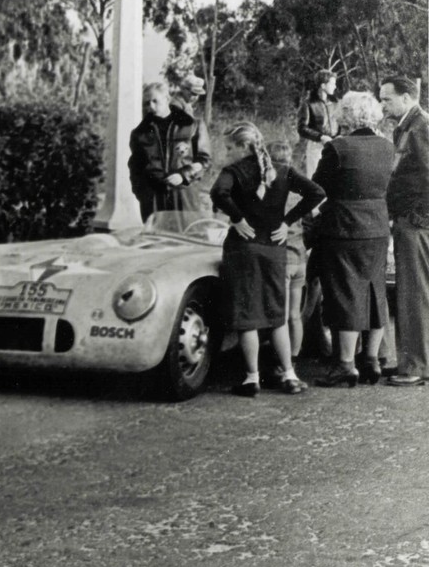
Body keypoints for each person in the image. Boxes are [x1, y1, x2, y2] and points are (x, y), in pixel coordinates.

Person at [211, 122, 324, 396]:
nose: (226, 153)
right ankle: (289, 374)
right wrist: (287, 221)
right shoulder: (282, 171)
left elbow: (217, 193)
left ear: (243, 147)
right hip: (275, 248)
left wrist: (237, 218)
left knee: (247, 315)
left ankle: (252, 379)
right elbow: (317, 192)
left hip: (243, 249)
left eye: (229, 148)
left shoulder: (233, 172)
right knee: (277, 315)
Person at [311, 91, 394, 387]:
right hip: (378, 227)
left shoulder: (337, 147)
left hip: (343, 228)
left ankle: (345, 364)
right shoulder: (388, 146)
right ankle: (371, 359)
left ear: (345, 114)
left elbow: (317, 188)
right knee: (375, 291)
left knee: (345, 293)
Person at [380, 75, 429, 386]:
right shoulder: (411, 125)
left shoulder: (420, 126)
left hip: (415, 221)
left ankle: (413, 367)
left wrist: (416, 215)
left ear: (407, 97)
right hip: (412, 218)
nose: (382, 104)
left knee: (413, 294)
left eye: (387, 98)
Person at [129, 82, 212, 220]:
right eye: (146, 103)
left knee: (187, 238)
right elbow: (135, 168)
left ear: (167, 99)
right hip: (153, 200)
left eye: (155, 101)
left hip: (184, 196)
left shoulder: (192, 125)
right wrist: (143, 193)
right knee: (156, 239)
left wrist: (183, 176)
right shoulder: (139, 133)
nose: (151, 107)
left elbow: (204, 160)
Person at [267, 140, 309, 365]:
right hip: (300, 257)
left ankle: (281, 363)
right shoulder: (298, 191)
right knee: (295, 314)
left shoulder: (273, 190)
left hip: (282, 258)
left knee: (279, 316)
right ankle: (293, 358)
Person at [296, 70, 339, 177]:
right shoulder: (308, 103)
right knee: (315, 180)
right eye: (332, 84)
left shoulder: (336, 103)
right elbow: (302, 128)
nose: (335, 86)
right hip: (317, 147)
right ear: (323, 85)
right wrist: (320, 137)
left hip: (336, 145)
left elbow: (341, 123)